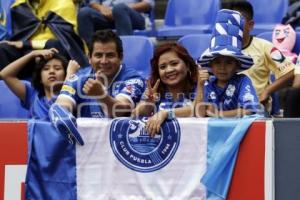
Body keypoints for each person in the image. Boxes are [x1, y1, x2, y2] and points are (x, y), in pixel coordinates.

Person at [49, 29, 145, 145]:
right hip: (85, 147)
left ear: (121, 57)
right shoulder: (80, 77)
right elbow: (63, 103)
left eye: (110, 55)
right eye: (98, 55)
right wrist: (62, 112)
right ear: (89, 57)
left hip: (120, 146)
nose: (104, 61)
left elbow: (120, 111)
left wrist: (101, 95)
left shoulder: (133, 79)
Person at [223, 1, 295, 115]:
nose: (233, 26)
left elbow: (290, 71)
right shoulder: (218, 49)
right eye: (229, 22)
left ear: (250, 25)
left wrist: (267, 91)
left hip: (255, 109)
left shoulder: (264, 47)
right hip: (225, 108)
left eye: (238, 22)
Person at [195, 9, 259, 118]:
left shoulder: (242, 81)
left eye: (229, 62)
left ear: (237, 65)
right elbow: (199, 114)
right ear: (210, 65)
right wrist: (200, 86)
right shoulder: (207, 84)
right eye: (217, 62)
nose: (222, 68)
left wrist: (219, 114)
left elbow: (250, 110)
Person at [0, 0, 87, 79]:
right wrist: (25, 46)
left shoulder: (63, 3)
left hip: (53, 49)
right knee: (3, 48)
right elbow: (20, 34)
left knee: (55, 45)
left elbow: (68, 39)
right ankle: (7, 87)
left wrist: (27, 44)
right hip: (27, 52)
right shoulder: (18, 6)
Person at [132, 42, 198, 137]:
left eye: (174, 64)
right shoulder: (154, 89)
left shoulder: (199, 86)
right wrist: (149, 103)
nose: (169, 70)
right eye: (163, 67)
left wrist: (166, 113)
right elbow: (134, 113)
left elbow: (198, 110)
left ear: (187, 65)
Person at [0, 48, 79, 120]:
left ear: (65, 75)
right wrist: (32, 54)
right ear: (40, 78)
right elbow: (6, 74)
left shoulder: (72, 97)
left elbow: (61, 112)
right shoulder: (32, 95)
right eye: (46, 69)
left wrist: (70, 75)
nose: (51, 71)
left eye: (57, 68)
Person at [77, 0, 154, 44]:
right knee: (84, 13)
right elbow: (93, 2)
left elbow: (148, 4)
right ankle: (92, 53)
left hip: (132, 17)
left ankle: (126, 53)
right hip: (107, 16)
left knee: (119, 8)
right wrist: (101, 8)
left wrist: (124, 9)